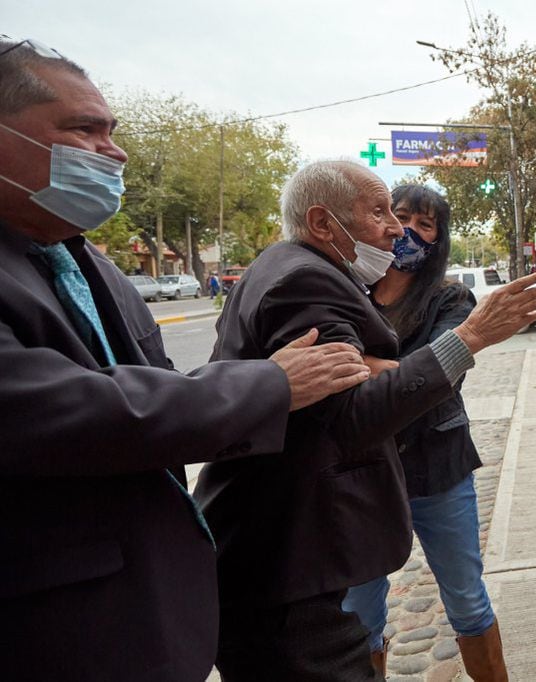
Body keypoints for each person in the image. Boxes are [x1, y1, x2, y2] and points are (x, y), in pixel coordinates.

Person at [0, 37, 371, 682]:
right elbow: (77, 413)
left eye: (112, 131)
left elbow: (160, 390)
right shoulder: (298, 279)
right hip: (54, 633)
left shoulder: (86, 261)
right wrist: (273, 384)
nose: (112, 152)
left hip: (151, 613)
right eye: (84, 130)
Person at [194, 160, 536, 681]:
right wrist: (470, 338)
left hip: (430, 468)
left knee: (464, 597)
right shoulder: (310, 281)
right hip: (299, 542)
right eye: (383, 212)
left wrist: (392, 364)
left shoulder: (320, 273)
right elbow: (353, 414)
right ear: (323, 223)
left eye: (412, 219)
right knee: (357, 621)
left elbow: (394, 375)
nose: (397, 228)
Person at [342, 184, 507, 680]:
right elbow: (423, 369)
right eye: (401, 216)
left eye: (425, 224)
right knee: (359, 613)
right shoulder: (345, 292)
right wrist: (413, 369)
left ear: (438, 240)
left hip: (440, 469)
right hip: (362, 477)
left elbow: (443, 374)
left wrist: (366, 366)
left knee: (467, 600)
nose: (409, 230)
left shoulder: (450, 297)